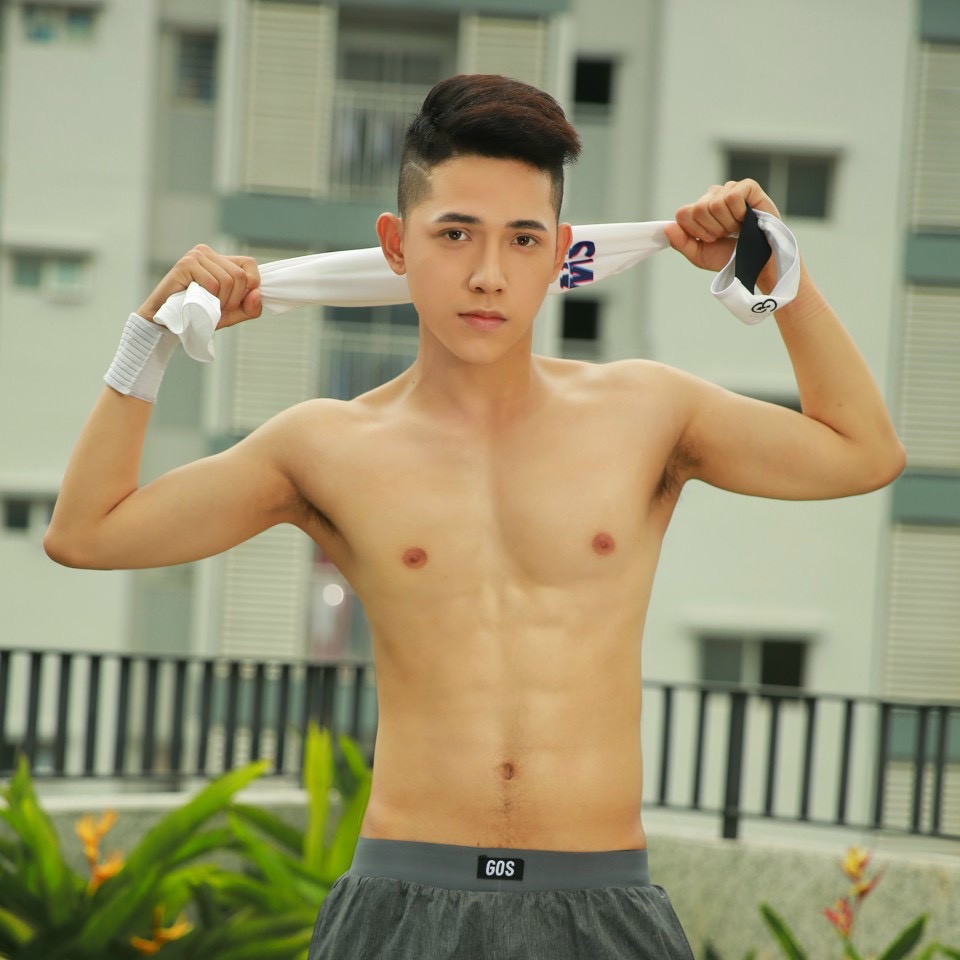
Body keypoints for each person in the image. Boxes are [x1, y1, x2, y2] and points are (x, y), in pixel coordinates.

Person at [44, 74, 905, 959]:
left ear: (561, 253)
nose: (489, 275)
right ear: (396, 243)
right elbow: (86, 532)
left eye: (522, 239)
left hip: (601, 904)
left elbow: (862, 452)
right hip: (402, 906)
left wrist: (776, 273)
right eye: (455, 234)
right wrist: (149, 337)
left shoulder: (647, 414)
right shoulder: (326, 446)